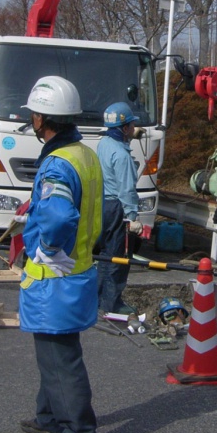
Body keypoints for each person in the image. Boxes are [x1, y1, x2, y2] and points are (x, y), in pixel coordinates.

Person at [14, 75, 103, 433]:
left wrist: (47, 248)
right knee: (51, 354)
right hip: (79, 270)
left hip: (56, 277)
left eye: (34, 114)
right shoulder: (84, 153)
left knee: (60, 359)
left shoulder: (55, 164)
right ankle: (49, 415)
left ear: (41, 118)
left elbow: (59, 217)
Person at [95, 102, 143, 316]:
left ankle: (97, 298)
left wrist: (132, 136)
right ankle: (112, 304)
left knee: (105, 255)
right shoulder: (122, 156)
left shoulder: (104, 143)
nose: (134, 128)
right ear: (124, 128)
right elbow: (126, 190)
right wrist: (132, 217)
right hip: (118, 208)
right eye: (131, 125)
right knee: (119, 256)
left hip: (103, 205)